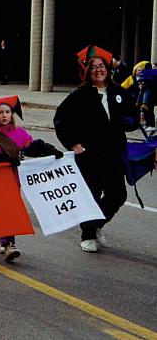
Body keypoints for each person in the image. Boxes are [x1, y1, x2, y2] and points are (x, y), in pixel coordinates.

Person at [53, 45, 139, 253]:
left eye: (102, 66)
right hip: (90, 155)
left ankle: (97, 223)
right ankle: (88, 235)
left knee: (117, 195)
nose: (99, 70)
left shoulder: (119, 92)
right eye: (94, 68)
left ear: (108, 69)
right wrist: (72, 143)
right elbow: (61, 119)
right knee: (91, 195)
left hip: (114, 154)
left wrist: (132, 121)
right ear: (87, 72)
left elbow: (132, 117)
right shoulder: (80, 95)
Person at [0, 96, 63, 261]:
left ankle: (7, 241)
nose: (4, 115)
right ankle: (6, 241)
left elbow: (30, 146)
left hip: (14, 179)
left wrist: (49, 150)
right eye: (0, 112)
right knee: (3, 210)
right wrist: (1, 160)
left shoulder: (19, 133)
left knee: (12, 210)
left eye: (7, 112)